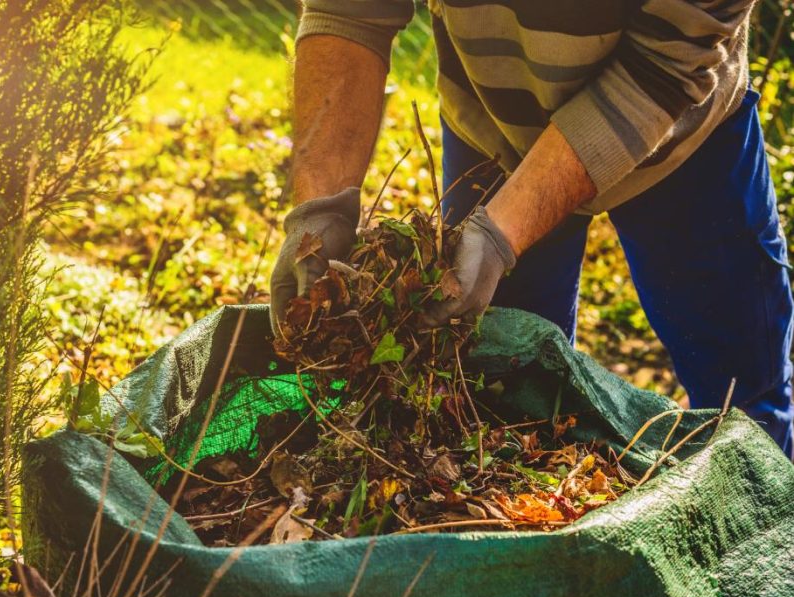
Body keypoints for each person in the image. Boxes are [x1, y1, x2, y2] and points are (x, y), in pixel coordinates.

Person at [269, 0, 794, 456]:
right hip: (494, 125)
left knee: (745, 413)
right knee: (504, 407)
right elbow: (348, 10)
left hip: (683, 140)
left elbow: (666, 60)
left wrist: (504, 230)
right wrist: (320, 208)